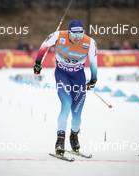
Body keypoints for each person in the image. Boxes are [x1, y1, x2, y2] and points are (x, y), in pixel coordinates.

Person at [33, 19, 98, 156]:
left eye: (80, 33)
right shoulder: (58, 35)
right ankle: (60, 141)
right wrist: (38, 63)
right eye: (74, 33)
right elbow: (43, 46)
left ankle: (74, 136)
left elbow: (93, 62)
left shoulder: (90, 42)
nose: (77, 37)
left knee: (77, 112)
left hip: (78, 78)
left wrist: (93, 79)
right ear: (69, 32)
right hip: (62, 75)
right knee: (66, 104)